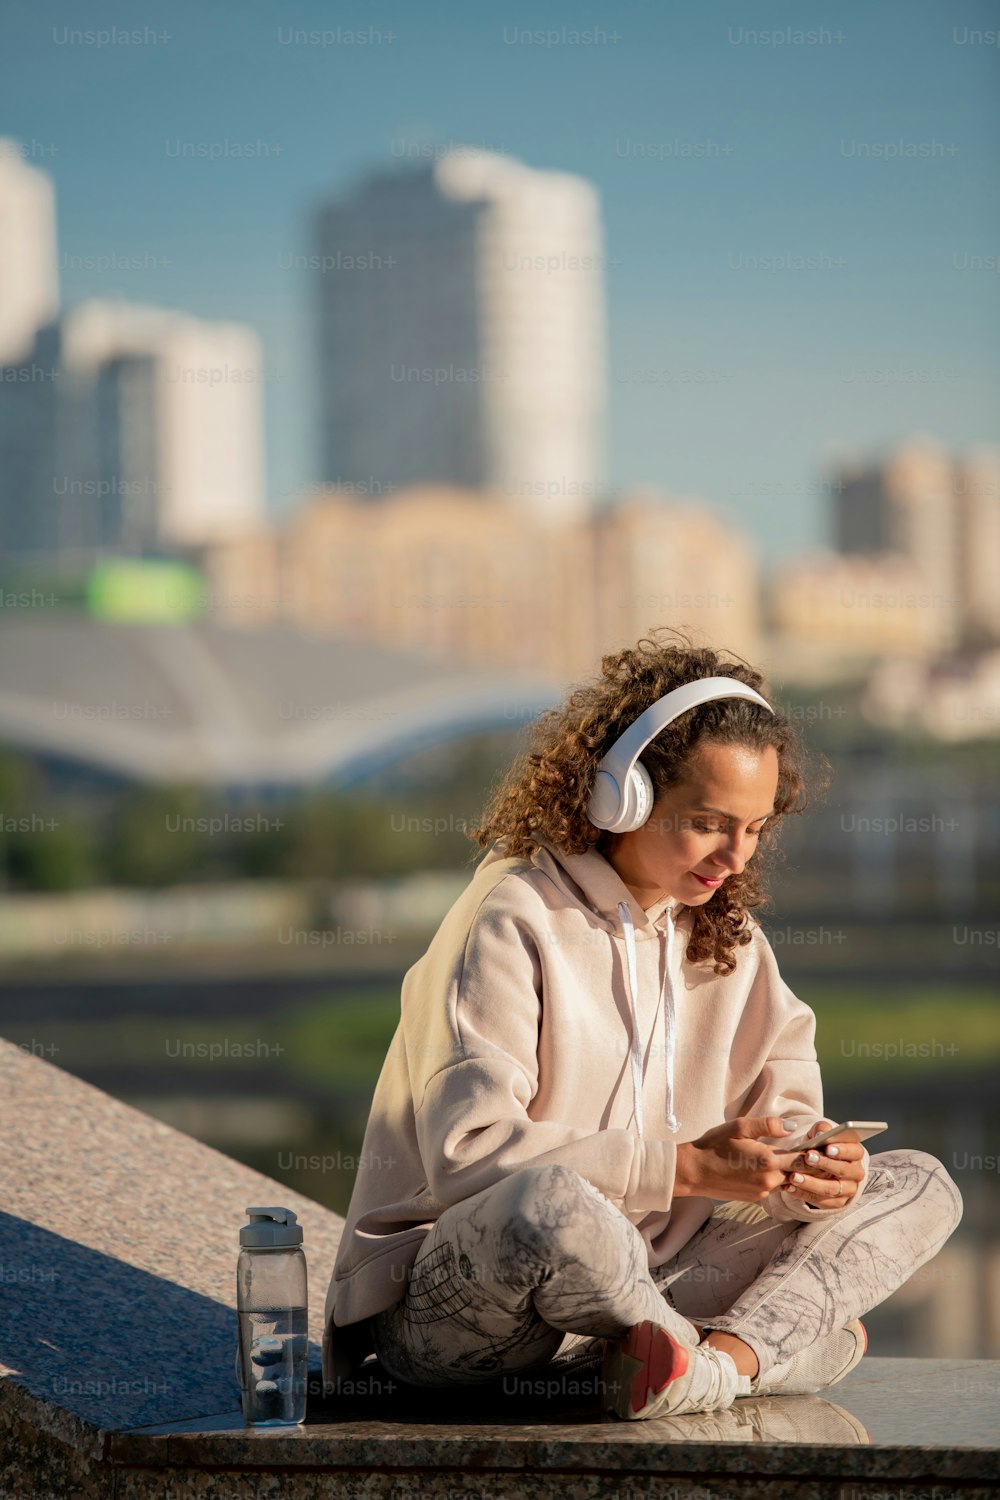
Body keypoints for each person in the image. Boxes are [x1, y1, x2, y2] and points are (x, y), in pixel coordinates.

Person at [322, 632, 964, 1420]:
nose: (736, 854)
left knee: (916, 1184)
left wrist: (813, 1176)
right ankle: (755, 1354)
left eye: (757, 828)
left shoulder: (730, 940)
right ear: (619, 795)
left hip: (652, 1286)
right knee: (552, 1204)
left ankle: (703, 1363)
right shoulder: (512, 915)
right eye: (709, 822)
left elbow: (785, 1123)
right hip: (467, 1304)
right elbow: (471, 1157)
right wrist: (688, 1169)